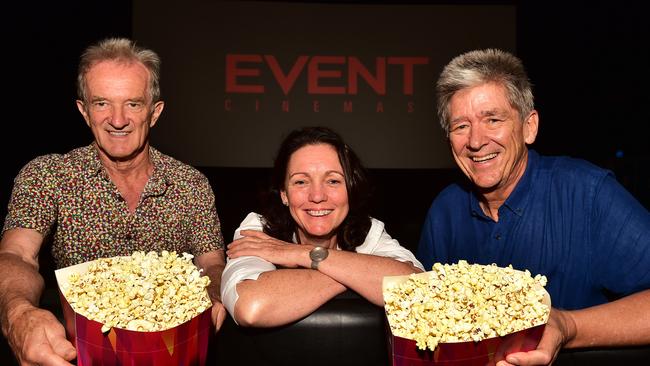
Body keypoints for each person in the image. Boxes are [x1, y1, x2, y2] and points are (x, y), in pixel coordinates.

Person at [0, 38, 227, 365]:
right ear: (84, 110)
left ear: (154, 112)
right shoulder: (49, 175)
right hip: (81, 355)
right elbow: (17, 254)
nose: (117, 119)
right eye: (102, 103)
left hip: (172, 352)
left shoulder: (190, 184)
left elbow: (210, 264)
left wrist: (217, 295)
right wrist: (19, 313)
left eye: (133, 104)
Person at [416, 48, 650, 365]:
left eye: (493, 119)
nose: (475, 141)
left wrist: (569, 326)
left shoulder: (587, 194)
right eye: (461, 126)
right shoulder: (444, 212)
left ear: (529, 127)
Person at [221, 126, 423, 327]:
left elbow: (421, 289)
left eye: (333, 181)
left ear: (350, 189)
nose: (317, 196)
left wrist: (302, 254)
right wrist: (361, 276)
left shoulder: (368, 230)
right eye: (301, 182)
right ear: (284, 193)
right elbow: (251, 307)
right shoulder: (259, 229)